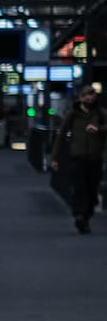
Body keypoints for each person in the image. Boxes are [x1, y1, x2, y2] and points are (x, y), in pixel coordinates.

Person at [49, 82, 106, 233]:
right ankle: (79, 216)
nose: (89, 99)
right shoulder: (73, 114)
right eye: (86, 96)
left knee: (92, 191)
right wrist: (54, 157)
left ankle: (86, 217)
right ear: (81, 98)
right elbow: (61, 135)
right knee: (79, 188)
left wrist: (98, 129)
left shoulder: (100, 113)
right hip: (77, 157)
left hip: (95, 157)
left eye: (91, 95)